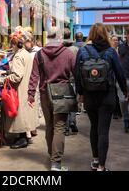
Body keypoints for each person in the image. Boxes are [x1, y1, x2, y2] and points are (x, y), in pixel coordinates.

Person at [75, 23, 128, 171]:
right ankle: (102, 167)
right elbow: (120, 73)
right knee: (103, 130)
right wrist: (125, 90)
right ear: (105, 34)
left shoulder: (83, 51)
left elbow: (77, 73)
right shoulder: (111, 51)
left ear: (90, 34)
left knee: (94, 127)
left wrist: (80, 93)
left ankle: (95, 160)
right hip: (107, 96)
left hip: (89, 96)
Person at [28, 26, 76, 171]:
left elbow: (34, 76)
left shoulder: (40, 54)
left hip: (44, 94)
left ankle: (51, 155)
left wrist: (30, 94)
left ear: (47, 37)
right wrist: (81, 93)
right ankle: (56, 163)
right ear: (60, 38)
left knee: (49, 126)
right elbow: (77, 74)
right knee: (59, 127)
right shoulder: (68, 54)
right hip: (62, 93)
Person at [3, 29, 39, 149]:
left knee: (21, 115)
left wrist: (6, 78)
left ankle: (22, 138)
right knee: (25, 114)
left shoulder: (18, 56)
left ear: (14, 44)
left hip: (20, 89)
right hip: (27, 87)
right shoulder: (27, 54)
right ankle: (25, 137)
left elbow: (17, 76)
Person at [63, 28, 79, 136]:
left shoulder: (60, 49)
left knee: (65, 104)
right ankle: (73, 122)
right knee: (73, 102)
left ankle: (66, 126)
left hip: (63, 79)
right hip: (74, 79)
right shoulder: (76, 49)